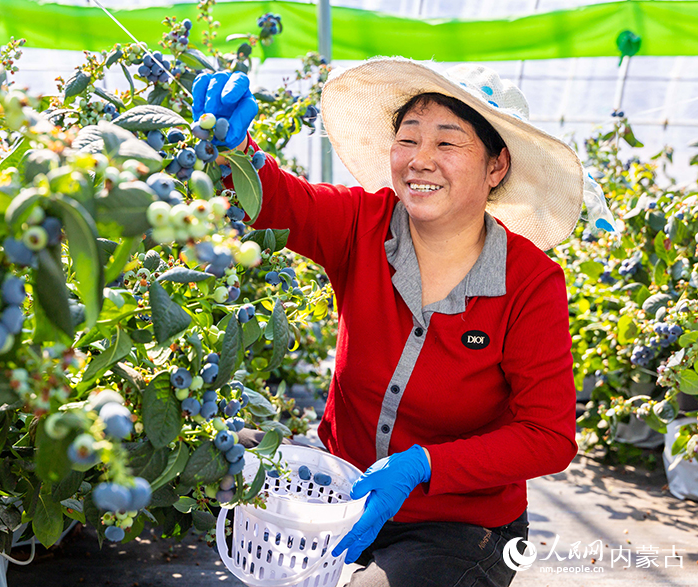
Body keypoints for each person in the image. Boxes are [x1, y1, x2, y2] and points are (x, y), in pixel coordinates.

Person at [192, 58, 584, 587]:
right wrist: (237, 153)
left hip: (460, 524)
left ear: (496, 167)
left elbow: (548, 436)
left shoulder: (530, 283)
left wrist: (424, 465)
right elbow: (282, 202)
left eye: (448, 143)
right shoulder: (363, 224)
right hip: (343, 497)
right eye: (409, 139)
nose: (421, 160)